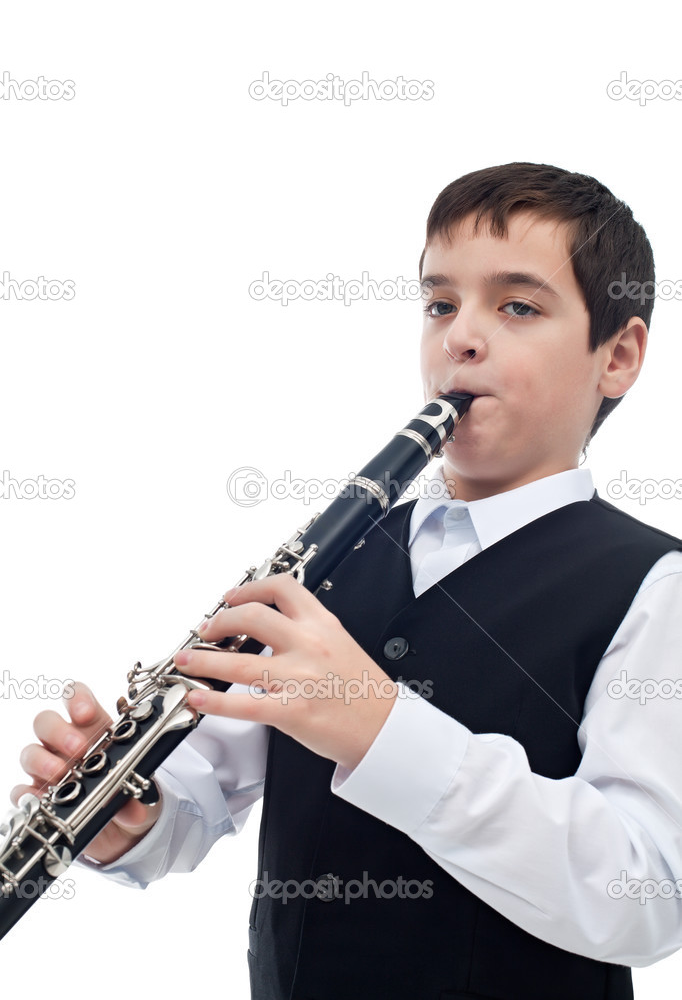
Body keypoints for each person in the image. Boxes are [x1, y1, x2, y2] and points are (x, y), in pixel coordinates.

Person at [12, 162, 682, 999]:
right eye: (440, 304)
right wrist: (128, 816)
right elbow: (201, 793)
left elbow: (646, 892)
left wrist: (382, 727)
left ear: (617, 355)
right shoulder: (338, 555)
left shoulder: (655, 585)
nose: (460, 338)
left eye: (518, 306)